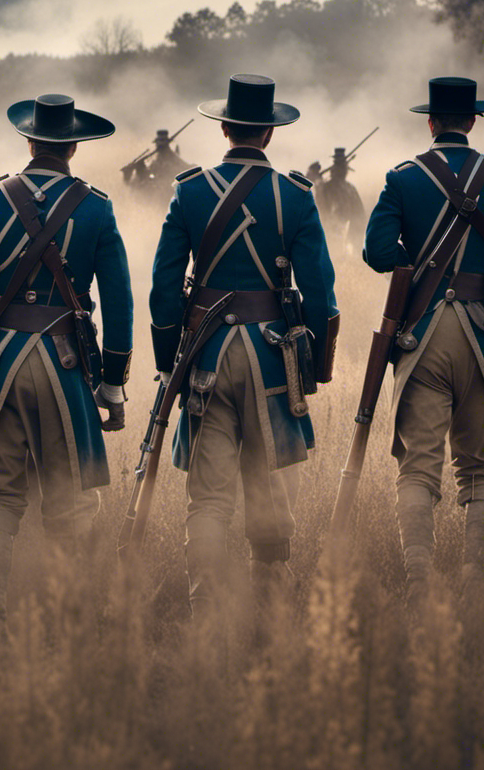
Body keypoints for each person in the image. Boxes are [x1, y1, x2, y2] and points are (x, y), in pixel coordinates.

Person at [0, 93, 133, 629]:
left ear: (28, 140)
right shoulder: (95, 208)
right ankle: (68, 621)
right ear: (73, 147)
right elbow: (118, 302)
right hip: (67, 364)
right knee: (69, 503)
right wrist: (113, 383)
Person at [150, 74, 338, 621]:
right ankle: (272, 606)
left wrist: (171, 366)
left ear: (226, 128)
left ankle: (204, 609)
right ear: (269, 134)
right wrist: (316, 369)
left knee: (208, 498)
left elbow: (165, 286)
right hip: (272, 358)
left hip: (204, 356)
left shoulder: (188, 192)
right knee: (269, 485)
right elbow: (321, 294)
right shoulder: (295, 197)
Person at [364, 76, 484, 614]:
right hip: (483, 337)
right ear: (471, 122)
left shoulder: (402, 178)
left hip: (421, 336)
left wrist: (416, 266)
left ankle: (419, 584)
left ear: (430, 122)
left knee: (418, 468)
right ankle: (476, 586)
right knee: (479, 467)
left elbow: (376, 251)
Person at [314, 147, 365, 252]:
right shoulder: (326, 188)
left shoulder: (350, 189)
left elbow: (360, 215)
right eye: (340, 167)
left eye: (343, 167)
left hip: (347, 232)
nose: (343, 170)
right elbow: (320, 208)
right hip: (330, 232)